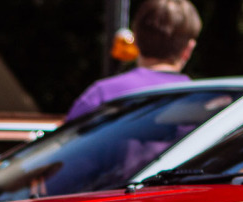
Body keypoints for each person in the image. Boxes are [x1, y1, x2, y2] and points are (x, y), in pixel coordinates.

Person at [66, 0, 202, 120]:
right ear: (188, 49)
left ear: (134, 39)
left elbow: (64, 144)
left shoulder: (101, 95)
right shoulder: (202, 104)